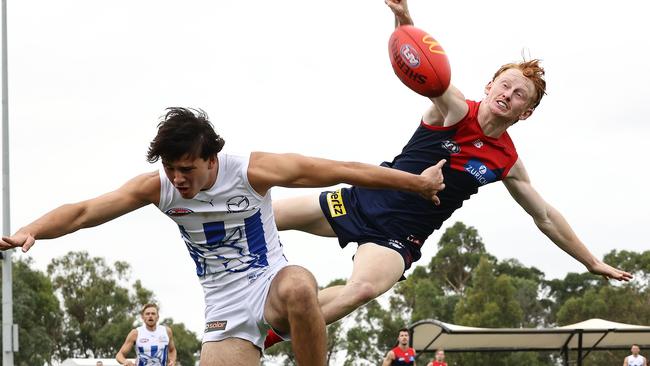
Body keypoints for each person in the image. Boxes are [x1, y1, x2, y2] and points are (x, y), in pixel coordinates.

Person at [270, 0, 633, 331]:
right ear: (489, 86)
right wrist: (405, 21)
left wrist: (591, 262)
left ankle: (275, 330)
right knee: (265, 214)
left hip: (398, 237)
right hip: (361, 202)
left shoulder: (506, 160)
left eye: (518, 94)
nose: (507, 95)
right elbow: (424, 69)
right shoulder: (455, 109)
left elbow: (546, 217)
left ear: (526, 113)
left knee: (362, 289)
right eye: (504, 86)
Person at [0, 108, 444, 366]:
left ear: (211, 158)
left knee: (298, 284)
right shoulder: (158, 186)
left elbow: (343, 170)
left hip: (268, 283)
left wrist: (417, 184)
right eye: (171, 169)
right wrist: (32, 230)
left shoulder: (253, 170)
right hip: (223, 307)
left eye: (187, 169)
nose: (178, 179)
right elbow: (84, 212)